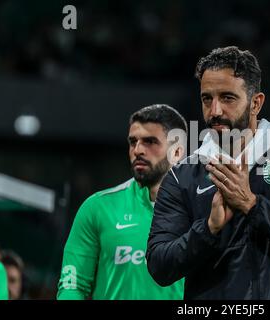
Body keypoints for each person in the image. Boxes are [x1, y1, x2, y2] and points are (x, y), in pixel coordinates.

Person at [147, 46, 270, 299]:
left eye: (227, 98)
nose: (215, 111)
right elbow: (159, 266)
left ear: (256, 103)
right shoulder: (182, 177)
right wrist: (208, 229)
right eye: (207, 99)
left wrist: (252, 205)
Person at [57, 104, 187, 299]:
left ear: (177, 151)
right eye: (133, 142)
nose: (138, 150)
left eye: (150, 141)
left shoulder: (203, 210)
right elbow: (73, 285)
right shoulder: (97, 208)